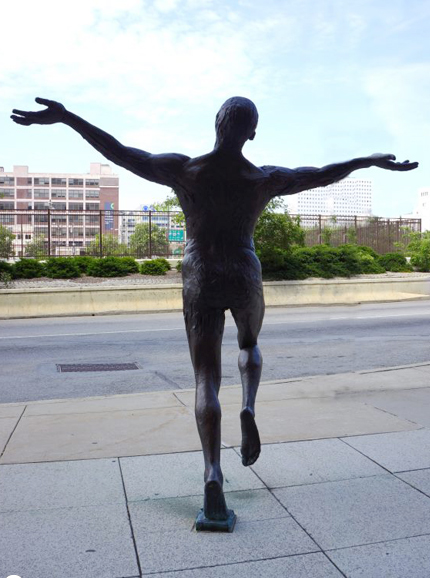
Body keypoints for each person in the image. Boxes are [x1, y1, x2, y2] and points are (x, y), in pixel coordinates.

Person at [11, 97, 418, 523]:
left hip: (200, 272)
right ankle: (249, 405)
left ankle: (212, 472)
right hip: (244, 270)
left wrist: (68, 118)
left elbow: (120, 152)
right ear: (252, 132)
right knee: (249, 344)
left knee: (205, 377)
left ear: (217, 125)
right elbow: (319, 175)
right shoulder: (263, 178)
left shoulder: (184, 170)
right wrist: (365, 161)